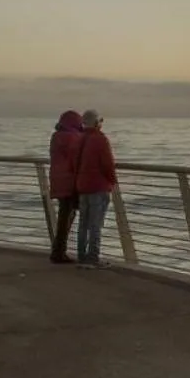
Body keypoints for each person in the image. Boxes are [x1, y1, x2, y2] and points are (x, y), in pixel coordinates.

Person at [73, 109, 117, 267]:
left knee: (83, 224)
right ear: (97, 123)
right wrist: (113, 182)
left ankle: (81, 256)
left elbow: (75, 164)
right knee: (96, 225)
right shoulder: (100, 139)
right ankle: (93, 258)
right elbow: (107, 164)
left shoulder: (79, 139)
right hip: (98, 186)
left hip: (82, 186)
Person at [47, 109, 84, 264]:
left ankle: (58, 250)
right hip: (70, 182)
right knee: (67, 217)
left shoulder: (56, 137)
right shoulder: (73, 138)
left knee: (64, 216)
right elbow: (77, 159)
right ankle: (59, 252)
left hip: (57, 180)